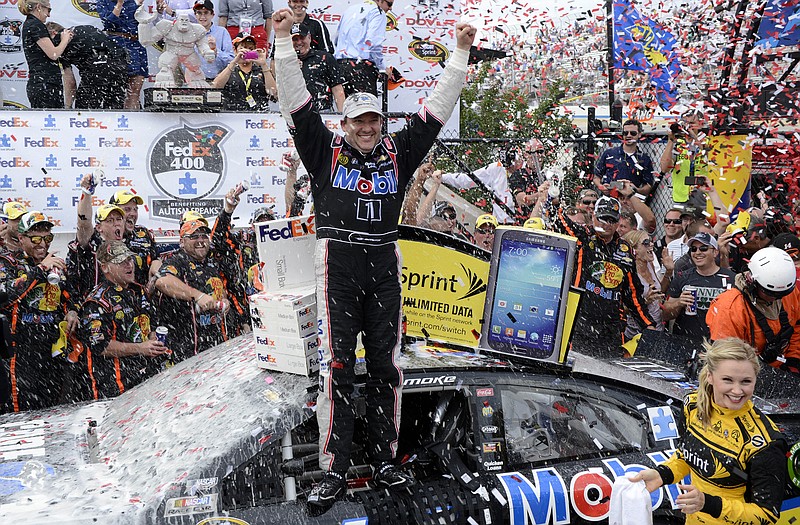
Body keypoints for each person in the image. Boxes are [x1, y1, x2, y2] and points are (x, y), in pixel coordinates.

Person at [273, 6, 476, 509]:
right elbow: (296, 102)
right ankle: (334, 469)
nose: (366, 128)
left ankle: (386, 462)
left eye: (373, 121)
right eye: (358, 121)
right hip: (338, 263)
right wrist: (281, 42)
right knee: (338, 367)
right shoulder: (323, 151)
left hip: (384, 261)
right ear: (343, 123)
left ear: (381, 123)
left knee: (387, 365)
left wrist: (460, 54)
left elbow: (436, 110)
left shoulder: (398, 151)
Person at [631, 338, 787, 525]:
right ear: (710, 377)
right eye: (727, 380)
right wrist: (661, 474)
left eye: (746, 381)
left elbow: (767, 515)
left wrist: (708, 504)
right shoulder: (693, 405)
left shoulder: (765, 442)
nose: (737, 391)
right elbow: (685, 456)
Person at [550, 195, 654, 356]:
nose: (607, 224)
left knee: (607, 372)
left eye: (611, 220)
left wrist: (648, 325)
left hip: (611, 327)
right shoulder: (583, 237)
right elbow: (560, 222)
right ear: (593, 216)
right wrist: (556, 201)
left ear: (618, 222)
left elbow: (633, 295)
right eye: (602, 218)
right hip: (579, 321)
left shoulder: (625, 250)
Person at [0, 211, 78, 413]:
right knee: (21, 415)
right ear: (21, 238)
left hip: (51, 352)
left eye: (47, 238)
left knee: (52, 411)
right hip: (19, 355)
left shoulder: (56, 264)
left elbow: (70, 295)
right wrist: (40, 270)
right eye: (35, 238)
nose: (42, 243)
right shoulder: (8, 262)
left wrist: (71, 311)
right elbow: (4, 296)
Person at [77, 241, 168, 400]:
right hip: (115, 387)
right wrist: (141, 348)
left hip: (147, 378)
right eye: (121, 261)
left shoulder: (139, 291)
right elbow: (101, 346)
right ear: (105, 267)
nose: (129, 265)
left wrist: (153, 338)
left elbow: (152, 321)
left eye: (130, 259)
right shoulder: (97, 301)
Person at [706, 246, 800, 372]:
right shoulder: (729, 308)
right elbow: (725, 360)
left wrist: (793, 363)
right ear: (752, 283)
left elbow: (797, 327)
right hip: (744, 374)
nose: (775, 299)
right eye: (770, 293)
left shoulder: (786, 293)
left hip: (782, 368)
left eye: (780, 295)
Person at [154, 218, 233, 362]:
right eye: (194, 237)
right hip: (185, 349)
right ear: (182, 242)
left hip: (215, 346)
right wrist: (198, 296)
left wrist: (224, 301)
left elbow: (218, 288)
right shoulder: (177, 260)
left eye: (204, 236)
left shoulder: (211, 261)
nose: (200, 240)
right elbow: (162, 282)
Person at [663, 233, 734, 345]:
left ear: (715, 252)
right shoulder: (682, 276)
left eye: (703, 248)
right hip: (686, 342)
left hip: (719, 344)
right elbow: (665, 314)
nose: (698, 252)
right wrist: (678, 303)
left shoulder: (731, 278)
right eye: (694, 249)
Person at [67, 174, 126, 301]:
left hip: (121, 307)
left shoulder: (128, 246)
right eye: (110, 220)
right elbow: (83, 223)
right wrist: (86, 193)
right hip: (93, 307)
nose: (116, 223)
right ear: (99, 227)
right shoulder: (92, 243)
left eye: (118, 219)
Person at [47, 22, 127, 109]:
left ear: (53, 33)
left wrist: (67, 106)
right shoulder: (84, 28)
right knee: (114, 111)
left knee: (84, 111)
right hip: (119, 66)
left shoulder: (60, 43)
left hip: (96, 69)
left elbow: (70, 82)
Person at [440, 146, 520, 224]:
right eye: (505, 166)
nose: (508, 169)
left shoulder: (528, 169)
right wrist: (442, 177)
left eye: (510, 166)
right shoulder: (496, 168)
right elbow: (467, 180)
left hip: (525, 222)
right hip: (501, 224)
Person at [278, 22, 344, 112]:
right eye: (295, 39)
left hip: (322, 111)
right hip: (295, 112)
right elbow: (277, 91)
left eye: (302, 38)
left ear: (309, 37)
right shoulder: (285, 60)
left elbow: (337, 89)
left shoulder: (325, 57)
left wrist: (342, 115)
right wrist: (291, 70)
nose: (299, 42)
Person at [18, 0, 72, 108]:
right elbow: (54, 54)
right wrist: (65, 39)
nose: (49, 14)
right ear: (38, 7)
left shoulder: (31, 24)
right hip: (45, 85)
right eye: (48, 9)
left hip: (44, 83)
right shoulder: (35, 25)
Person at [334, 0, 393, 96]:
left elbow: (336, 39)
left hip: (341, 67)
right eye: (389, 4)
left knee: (345, 108)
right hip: (361, 69)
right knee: (365, 109)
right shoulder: (378, 12)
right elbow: (373, 43)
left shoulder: (350, 9)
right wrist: (382, 67)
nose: (390, 8)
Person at [96, 0, 148, 109]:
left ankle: (135, 120)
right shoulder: (103, 2)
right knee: (116, 89)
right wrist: (119, 4)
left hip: (137, 44)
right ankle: (120, 120)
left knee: (135, 89)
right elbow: (108, 23)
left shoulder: (134, 1)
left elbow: (145, 21)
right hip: (116, 44)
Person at [108, 190, 160, 289]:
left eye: (135, 209)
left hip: (141, 296)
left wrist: (156, 264)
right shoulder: (102, 234)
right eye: (127, 209)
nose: (133, 214)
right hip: (112, 296)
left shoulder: (143, 233)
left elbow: (156, 258)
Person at [212, 32, 276, 110]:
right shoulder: (228, 70)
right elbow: (215, 87)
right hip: (232, 116)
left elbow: (274, 93)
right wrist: (234, 61)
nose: (247, 51)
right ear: (235, 50)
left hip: (258, 116)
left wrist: (264, 64)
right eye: (242, 48)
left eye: (250, 49)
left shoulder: (262, 71)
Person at [593, 119, 655, 197]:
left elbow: (648, 186)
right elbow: (596, 176)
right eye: (625, 133)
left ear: (639, 134)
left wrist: (635, 190)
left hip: (631, 201)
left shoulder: (644, 159)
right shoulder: (609, 153)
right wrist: (601, 187)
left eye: (633, 133)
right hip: (610, 199)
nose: (629, 136)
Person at [659, 109, 709, 205]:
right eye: (685, 123)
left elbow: (712, 161)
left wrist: (695, 138)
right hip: (681, 197)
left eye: (691, 123)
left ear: (700, 124)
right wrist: (671, 140)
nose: (687, 127)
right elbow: (664, 168)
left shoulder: (708, 142)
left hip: (704, 196)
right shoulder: (678, 144)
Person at [622, 230, 663, 340]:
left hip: (656, 329)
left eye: (650, 241)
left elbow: (660, 291)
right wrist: (645, 301)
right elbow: (621, 307)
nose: (651, 244)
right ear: (634, 250)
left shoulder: (650, 265)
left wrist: (668, 272)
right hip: (635, 334)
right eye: (645, 243)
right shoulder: (628, 272)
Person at [192, 0, 235, 81]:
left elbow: (231, 60)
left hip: (217, 80)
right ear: (195, 15)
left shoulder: (222, 32)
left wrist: (216, 51)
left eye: (206, 12)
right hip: (193, 80)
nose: (202, 17)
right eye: (199, 13)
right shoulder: (190, 33)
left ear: (212, 14)